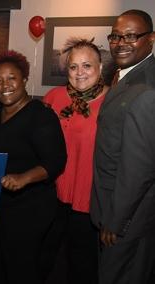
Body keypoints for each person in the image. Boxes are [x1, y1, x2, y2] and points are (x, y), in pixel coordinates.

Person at [0, 50, 66, 284]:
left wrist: (24, 178)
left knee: (22, 268)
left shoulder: (41, 115)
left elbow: (56, 161)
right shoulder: (0, 112)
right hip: (2, 205)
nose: (5, 85)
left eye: (11, 78)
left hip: (31, 207)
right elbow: (6, 147)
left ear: (24, 80)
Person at [90, 9, 155, 284]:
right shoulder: (126, 74)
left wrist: (117, 222)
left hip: (126, 218)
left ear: (151, 39)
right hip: (115, 209)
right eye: (115, 36)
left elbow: (139, 169)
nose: (120, 43)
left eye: (131, 36)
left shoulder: (146, 89)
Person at [42, 38, 108, 284]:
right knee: (48, 261)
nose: (80, 73)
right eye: (73, 67)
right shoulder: (54, 97)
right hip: (51, 196)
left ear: (100, 66)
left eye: (87, 65)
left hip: (88, 202)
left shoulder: (111, 103)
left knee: (83, 267)